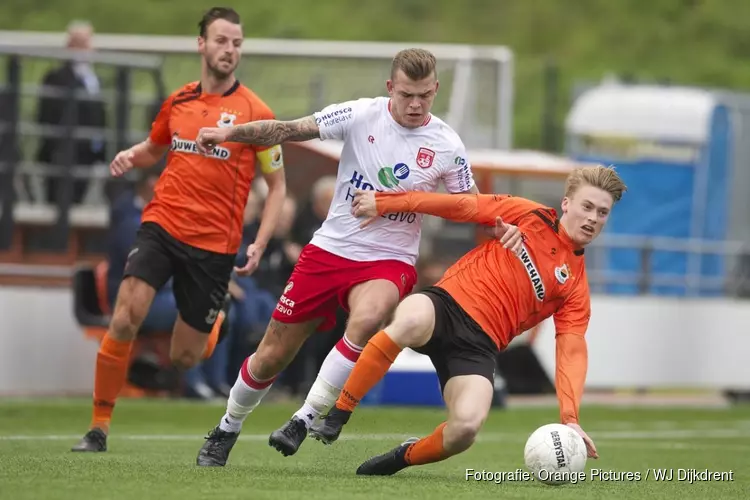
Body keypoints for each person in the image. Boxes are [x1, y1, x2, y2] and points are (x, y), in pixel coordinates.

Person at [193, 47, 525, 466]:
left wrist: (505, 226)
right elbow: (288, 129)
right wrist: (229, 133)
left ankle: (305, 418)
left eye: (424, 94)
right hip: (329, 250)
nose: (415, 104)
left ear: (436, 89)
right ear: (390, 87)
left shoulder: (446, 144)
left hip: (390, 259)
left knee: (368, 317)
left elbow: (471, 205)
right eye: (406, 94)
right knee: (271, 355)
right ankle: (226, 428)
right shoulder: (360, 114)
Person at [313, 165, 627, 476]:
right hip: (446, 306)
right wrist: (385, 202)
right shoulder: (531, 215)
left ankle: (403, 456)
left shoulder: (575, 287)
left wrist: (570, 417)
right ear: (567, 203)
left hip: (479, 347)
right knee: (408, 322)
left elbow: (571, 350)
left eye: (602, 212)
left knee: (465, 429)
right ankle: (339, 412)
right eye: (587, 206)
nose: (592, 218)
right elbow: (461, 206)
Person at [71, 7, 287, 452]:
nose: (229, 50)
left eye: (237, 43)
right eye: (222, 40)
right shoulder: (179, 102)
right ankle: (98, 427)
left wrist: (261, 241)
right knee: (126, 314)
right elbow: (155, 148)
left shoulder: (256, 114)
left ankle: (215, 324)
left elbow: (277, 186)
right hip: (162, 224)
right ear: (202, 45)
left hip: (214, 247)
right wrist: (133, 155)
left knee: (184, 356)